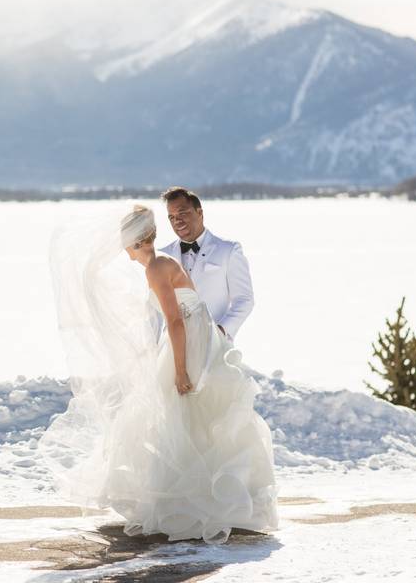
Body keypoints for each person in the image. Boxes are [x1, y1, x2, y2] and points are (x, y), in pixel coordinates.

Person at [41, 204, 277, 544]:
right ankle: (197, 498)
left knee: (180, 412)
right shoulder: (163, 263)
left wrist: (181, 370)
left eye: (123, 241)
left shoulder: (155, 267)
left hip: (189, 342)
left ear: (133, 241)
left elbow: (176, 321)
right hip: (196, 337)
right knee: (187, 418)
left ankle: (191, 503)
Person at [158, 187, 253, 342]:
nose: (177, 221)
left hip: (215, 349)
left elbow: (244, 299)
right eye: (172, 217)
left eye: (182, 213)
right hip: (173, 348)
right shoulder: (163, 256)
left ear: (199, 212)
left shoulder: (228, 250)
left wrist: (220, 332)